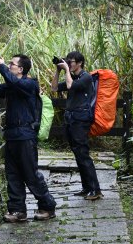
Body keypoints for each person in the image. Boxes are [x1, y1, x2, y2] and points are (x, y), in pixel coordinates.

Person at [0, 54, 56, 222]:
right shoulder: (11, 86)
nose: (8, 66)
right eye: (8, 63)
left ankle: (47, 206)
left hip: (25, 136)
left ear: (21, 69)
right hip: (12, 136)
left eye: (11, 64)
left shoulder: (29, 84)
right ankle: (17, 211)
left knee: (30, 174)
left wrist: (1, 67)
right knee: (13, 174)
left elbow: (15, 83)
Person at [51, 51, 103, 200]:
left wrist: (66, 70)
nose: (69, 64)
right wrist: (58, 70)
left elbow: (70, 85)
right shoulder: (72, 76)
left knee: (83, 154)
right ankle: (86, 188)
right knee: (77, 154)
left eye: (71, 62)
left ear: (79, 63)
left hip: (81, 119)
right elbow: (54, 88)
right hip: (71, 119)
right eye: (67, 61)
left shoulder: (86, 77)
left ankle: (96, 190)